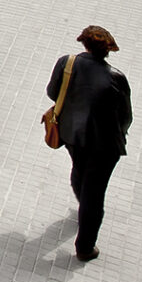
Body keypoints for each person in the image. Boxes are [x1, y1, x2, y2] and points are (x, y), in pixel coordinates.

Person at [46, 26, 132, 262]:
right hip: (104, 146)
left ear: (84, 44)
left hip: (73, 135)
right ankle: (85, 248)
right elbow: (126, 116)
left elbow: (53, 93)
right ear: (108, 51)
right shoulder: (116, 77)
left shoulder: (67, 63)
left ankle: (84, 206)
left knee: (80, 171)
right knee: (95, 194)